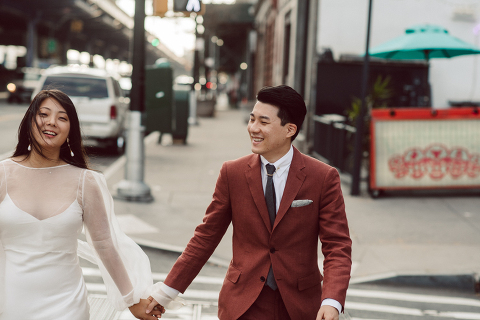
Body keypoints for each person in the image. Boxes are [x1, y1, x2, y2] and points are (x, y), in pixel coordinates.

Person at [142, 85, 352, 320]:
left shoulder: (323, 177)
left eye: (263, 122)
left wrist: (332, 300)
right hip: (243, 305)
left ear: (289, 130)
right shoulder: (232, 173)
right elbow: (205, 238)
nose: (253, 128)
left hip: (301, 307)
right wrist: (165, 292)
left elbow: (337, 246)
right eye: (252, 119)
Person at [0, 89, 174, 320]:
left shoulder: (85, 181)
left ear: (70, 130)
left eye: (62, 118)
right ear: (29, 120)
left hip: (66, 304)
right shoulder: (3, 173)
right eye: (43, 114)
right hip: (10, 300)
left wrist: (132, 300)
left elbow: (105, 245)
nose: (51, 122)